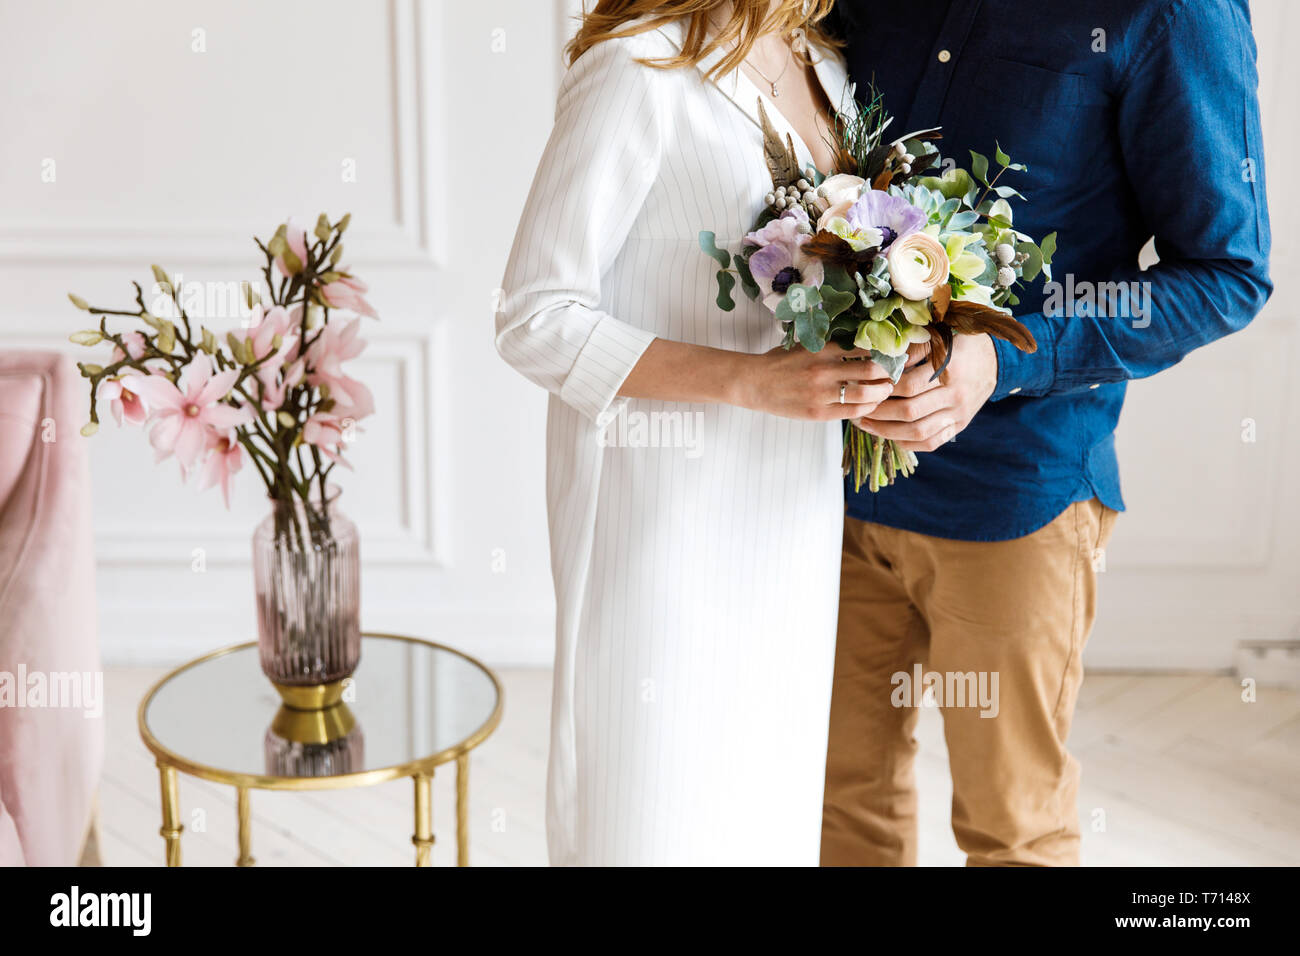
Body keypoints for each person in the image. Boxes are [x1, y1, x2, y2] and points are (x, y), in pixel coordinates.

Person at [822, 0, 1272, 866]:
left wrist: (1008, 359)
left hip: (1016, 496)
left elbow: (1227, 274)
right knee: (842, 802)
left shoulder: (1174, 13)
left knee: (1011, 831)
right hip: (828, 477)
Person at [496, 0, 885, 865]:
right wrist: (748, 381)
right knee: (657, 805)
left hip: (791, 506)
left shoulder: (820, 59)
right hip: (662, 518)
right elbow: (533, 317)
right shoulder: (637, 66)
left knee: (767, 803)